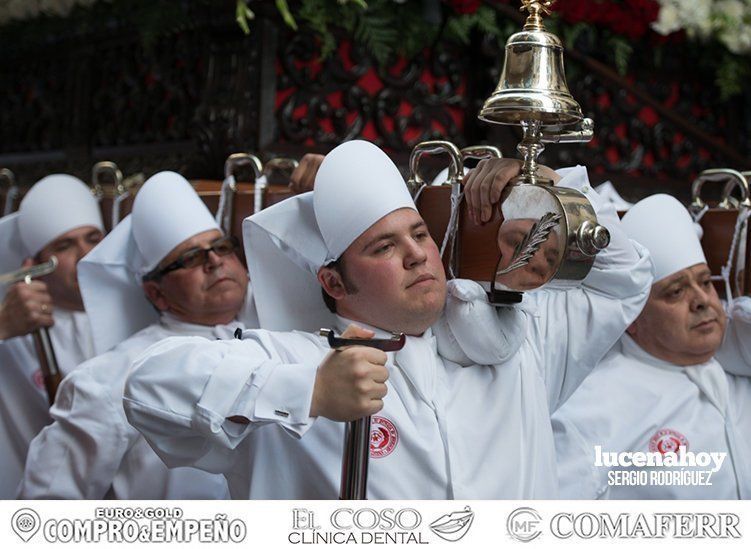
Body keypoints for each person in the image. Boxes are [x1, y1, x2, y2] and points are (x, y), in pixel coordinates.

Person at [123, 140, 651, 499]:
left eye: (420, 235)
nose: (417, 255)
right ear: (333, 282)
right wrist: (305, 390)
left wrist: (549, 190)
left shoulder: (518, 344)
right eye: (383, 246)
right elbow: (148, 389)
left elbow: (624, 277)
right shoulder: (299, 359)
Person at [18, 171, 256, 499]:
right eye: (191, 258)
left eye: (221, 247)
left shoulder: (277, 338)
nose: (214, 261)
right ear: (156, 294)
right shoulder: (109, 380)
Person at [552, 194, 751, 499]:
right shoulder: (594, 408)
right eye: (675, 292)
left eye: (705, 282)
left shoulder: (740, 368)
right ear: (633, 316)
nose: (701, 300)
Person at [0, 174, 104, 498]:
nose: (85, 254)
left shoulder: (147, 307)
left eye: (93, 238)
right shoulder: (16, 329)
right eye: (65, 245)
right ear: (35, 263)